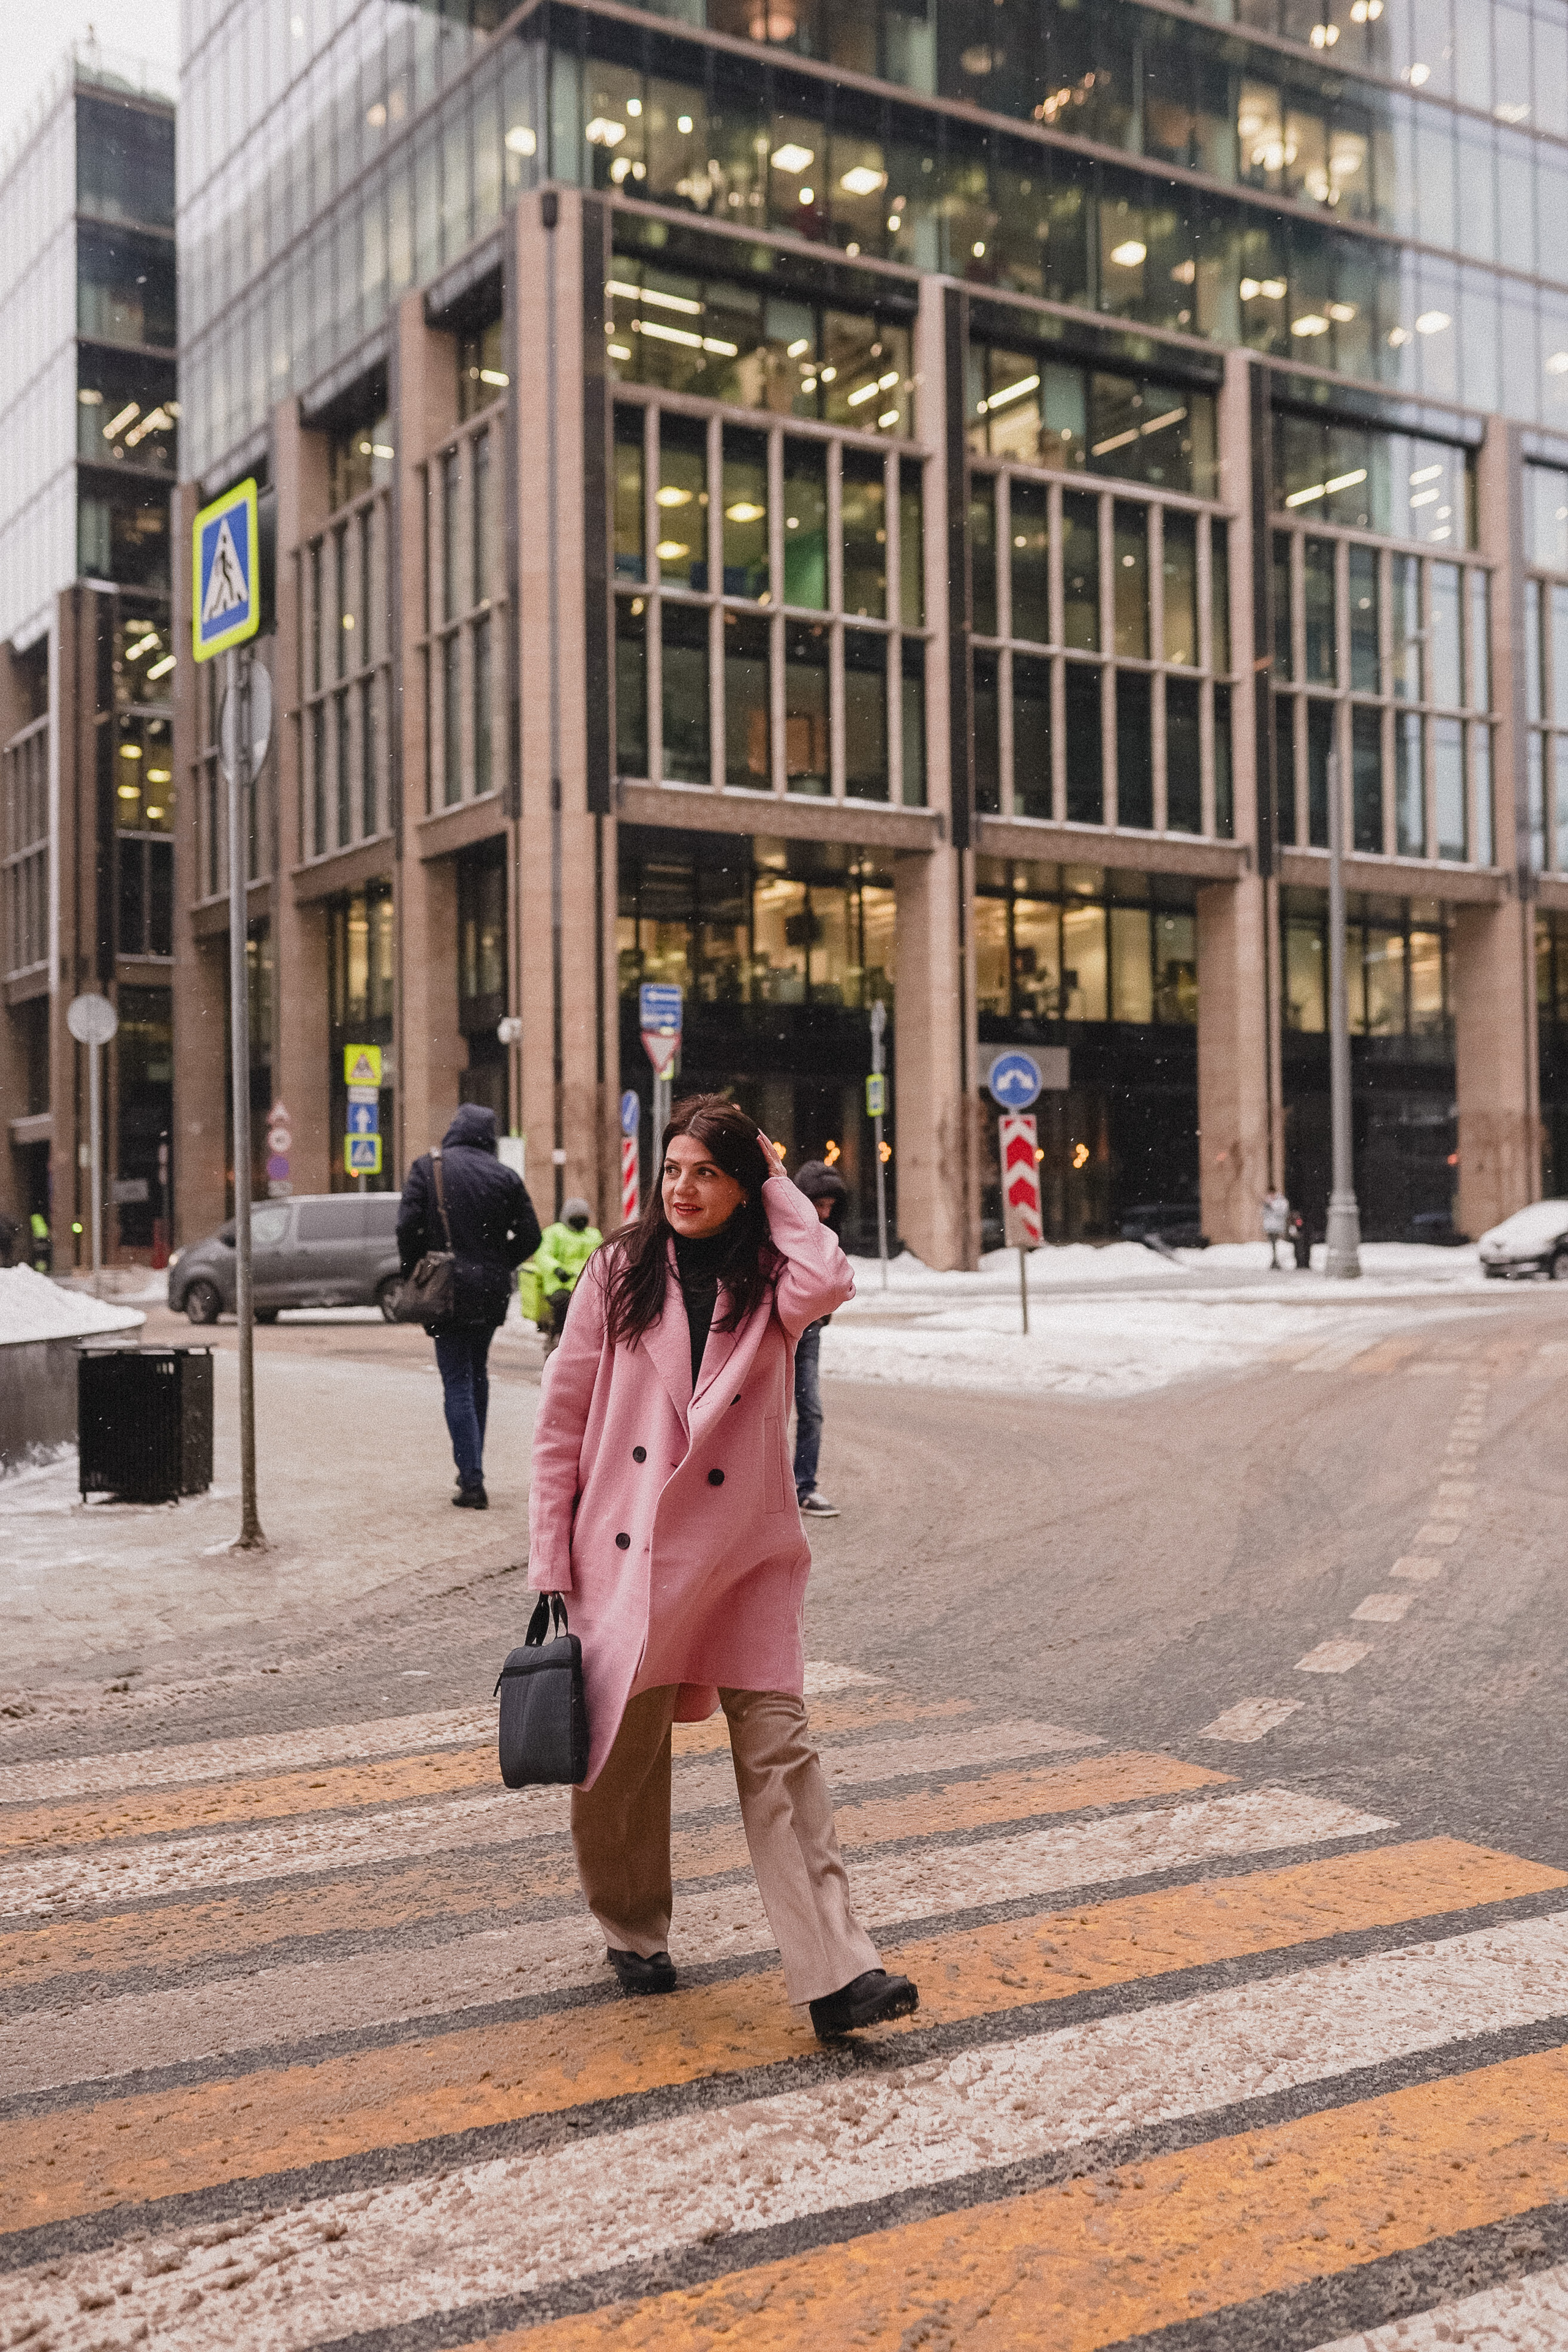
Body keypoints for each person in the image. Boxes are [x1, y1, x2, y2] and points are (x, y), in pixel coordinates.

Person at [528, 1093, 918, 2041]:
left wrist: (778, 1177)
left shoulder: (773, 1278)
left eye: (707, 1171)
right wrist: (548, 1551)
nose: (684, 1188)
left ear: (746, 1185)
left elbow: (830, 1275)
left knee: (783, 1756)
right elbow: (562, 1418)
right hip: (626, 1553)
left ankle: (837, 1971)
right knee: (618, 1763)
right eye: (673, 1170)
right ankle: (632, 1928)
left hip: (743, 1554)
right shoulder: (618, 1270)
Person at [398, 1103, 540, 1509]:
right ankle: (471, 1467)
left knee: (457, 1379)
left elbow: (407, 1226)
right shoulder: (506, 1176)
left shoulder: (430, 1168)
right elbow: (531, 1237)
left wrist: (417, 1270)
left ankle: (472, 1481)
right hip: (491, 1291)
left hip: (447, 1290)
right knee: (477, 1374)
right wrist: (498, 1264)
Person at [790, 1159, 849, 1517]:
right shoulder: (780, 1230)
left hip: (809, 1332)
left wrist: (825, 1311)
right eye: (819, 1205)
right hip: (778, 1332)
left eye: (830, 1206)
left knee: (811, 1411)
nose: (825, 1213)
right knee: (764, 1415)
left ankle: (804, 1487)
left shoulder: (829, 1235)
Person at [529, 1197, 603, 1355]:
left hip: (589, 1285)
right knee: (563, 1305)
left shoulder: (593, 1235)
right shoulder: (554, 1233)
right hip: (560, 1285)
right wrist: (557, 1270)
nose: (580, 1222)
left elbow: (602, 1255)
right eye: (576, 1218)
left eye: (584, 1218)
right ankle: (560, 1335)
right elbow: (543, 1255)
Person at [1262, 1188, 1290, 1271]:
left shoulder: (1281, 1201)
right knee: (1272, 1244)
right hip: (1270, 1227)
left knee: (1277, 1244)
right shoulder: (1267, 1201)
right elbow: (1263, 1213)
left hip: (1278, 1227)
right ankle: (1274, 1260)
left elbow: (1283, 1212)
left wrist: (1272, 1205)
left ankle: (1277, 1261)